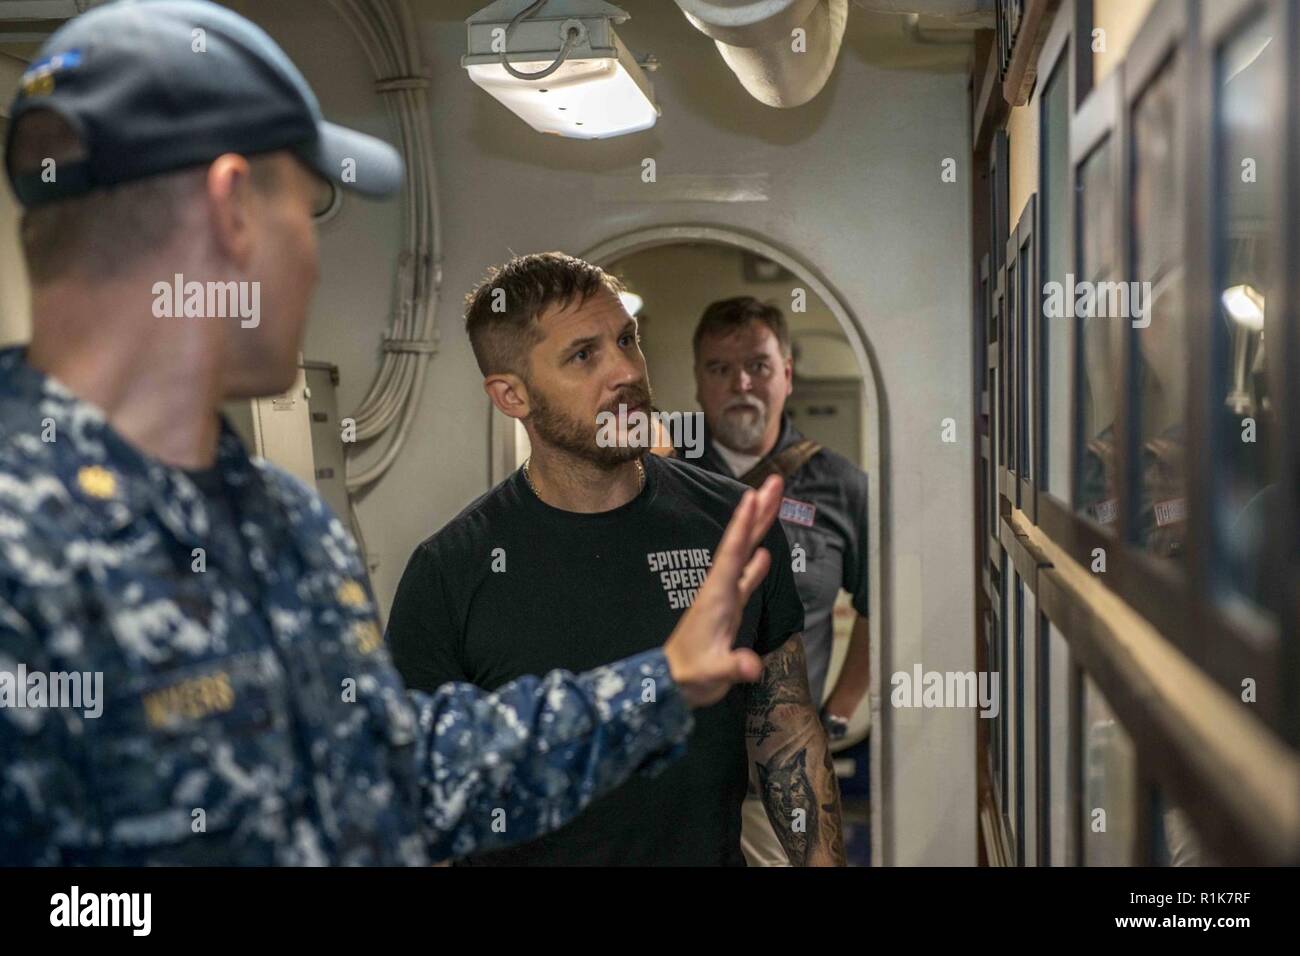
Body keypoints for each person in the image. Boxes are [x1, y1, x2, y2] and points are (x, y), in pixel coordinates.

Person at [0, 0, 784, 866]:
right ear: (229, 211)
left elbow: (389, 775)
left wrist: (660, 685)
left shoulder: (281, 525)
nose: (313, 260)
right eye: (307, 209)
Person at [386, 253, 845, 866]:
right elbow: (416, 792)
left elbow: (784, 727)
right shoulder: (449, 572)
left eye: (627, 340)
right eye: (584, 355)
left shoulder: (735, 524)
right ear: (511, 394)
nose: (626, 371)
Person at [687, 296, 871, 866]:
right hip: (675, 778)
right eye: (720, 368)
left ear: (787, 375)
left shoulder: (843, 487)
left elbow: (879, 606)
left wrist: (838, 710)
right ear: (698, 382)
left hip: (781, 786)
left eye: (758, 366)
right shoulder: (662, 480)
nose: (740, 382)